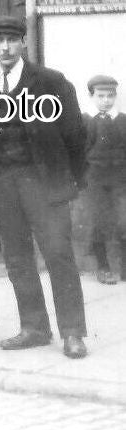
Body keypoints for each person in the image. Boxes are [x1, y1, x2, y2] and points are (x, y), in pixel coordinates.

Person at [0, 15, 88, 359]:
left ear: (23, 43)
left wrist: (69, 181)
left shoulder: (52, 82)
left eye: (12, 39)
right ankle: (34, 327)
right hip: (3, 184)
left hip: (44, 185)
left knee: (57, 254)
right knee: (18, 257)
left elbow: (76, 136)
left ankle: (72, 333)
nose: (6, 47)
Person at [79, 75, 126, 284]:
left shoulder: (123, 120)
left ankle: (124, 268)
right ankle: (103, 266)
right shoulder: (85, 120)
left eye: (110, 95)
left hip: (120, 179)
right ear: (92, 96)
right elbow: (79, 150)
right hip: (94, 179)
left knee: (124, 221)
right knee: (97, 222)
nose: (106, 100)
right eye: (101, 96)